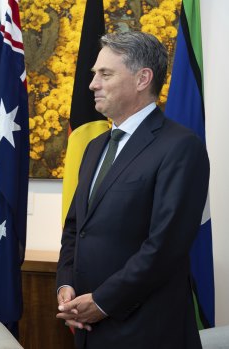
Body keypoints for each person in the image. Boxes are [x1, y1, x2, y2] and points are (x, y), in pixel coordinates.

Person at [56, 31, 208, 349]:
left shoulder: (180, 147)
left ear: (142, 79)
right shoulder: (95, 147)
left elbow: (164, 247)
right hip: (86, 328)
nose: (92, 84)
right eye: (94, 74)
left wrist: (103, 302)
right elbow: (76, 228)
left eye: (105, 74)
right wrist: (66, 284)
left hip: (146, 331)